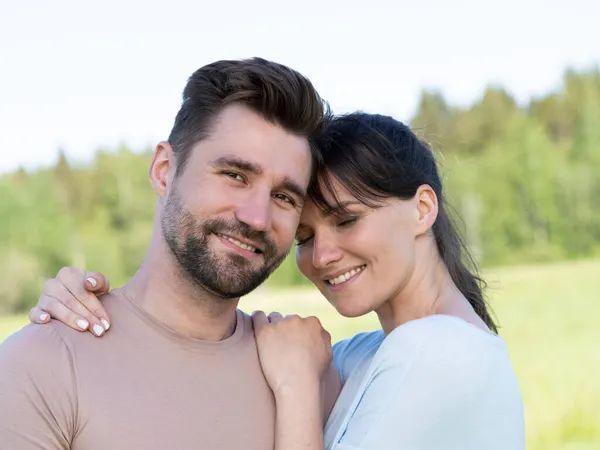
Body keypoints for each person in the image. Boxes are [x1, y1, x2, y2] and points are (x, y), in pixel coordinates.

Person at [26, 113, 526, 449]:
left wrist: (296, 390)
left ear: (422, 209)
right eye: (305, 234)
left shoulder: (437, 354)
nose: (323, 255)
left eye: (348, 219)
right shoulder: (374, 354)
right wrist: (87, 303)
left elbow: (290, 369)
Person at [0, 57, 341, 450]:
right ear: (164, 170)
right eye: (234, 175)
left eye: (283, 196)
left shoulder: (310, 377)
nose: (257, 217)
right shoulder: (43, 365)